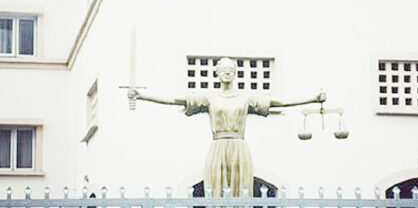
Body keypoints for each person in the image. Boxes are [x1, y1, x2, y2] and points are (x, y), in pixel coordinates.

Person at [128, 57, 326, 197]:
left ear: (235, 73)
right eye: (223, 70)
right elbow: (176, 100)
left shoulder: (245, 97)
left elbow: (278, 103)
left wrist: (311, 99)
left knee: (241, 190)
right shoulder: (210, 96)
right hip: (218, 146)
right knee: (216, 190)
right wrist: (143, 96)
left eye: (230, 70)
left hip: (239, 146)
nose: (227, 74)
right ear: (217, 73)